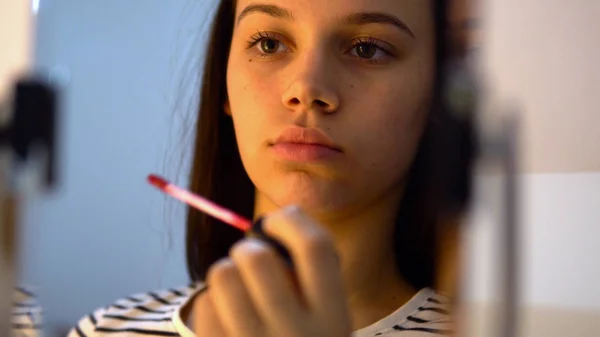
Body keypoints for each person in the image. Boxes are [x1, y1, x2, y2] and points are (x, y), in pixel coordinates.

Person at [69, 0, 474, 335]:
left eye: (366, 48)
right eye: (268, 44)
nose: (306, 88)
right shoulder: (106, 329)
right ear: (223, 85)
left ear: (440, 96)